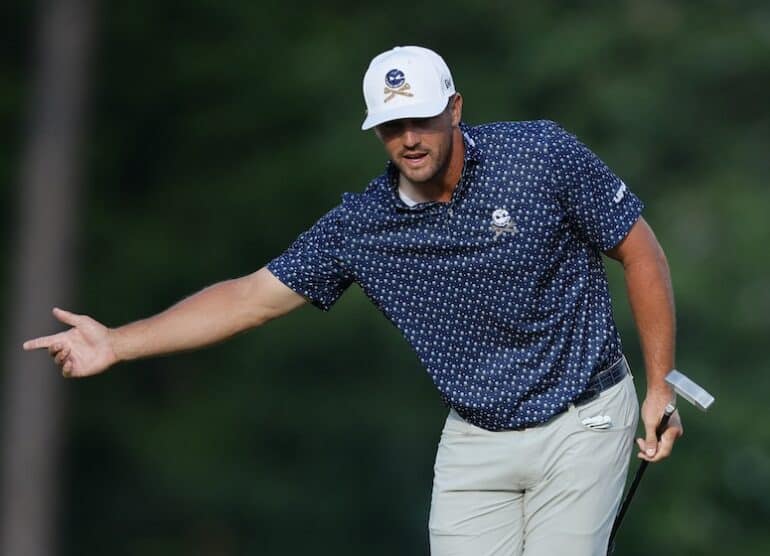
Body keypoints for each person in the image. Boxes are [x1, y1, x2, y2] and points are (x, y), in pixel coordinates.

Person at [24, 45, 683, 555]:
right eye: (391, 126)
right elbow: (250, 298)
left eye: (421, 119)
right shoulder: (362, 227)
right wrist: (117, 341)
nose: (409, 139)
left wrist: (660, 387)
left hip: (584, 416)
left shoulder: (538, 153)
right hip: (476, 437)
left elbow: (640, 251)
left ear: (455, 109)